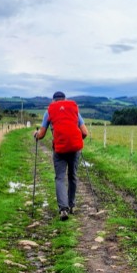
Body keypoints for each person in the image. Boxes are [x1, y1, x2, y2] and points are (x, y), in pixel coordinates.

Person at [34, 91, 89, 219]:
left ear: (53, 101)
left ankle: (63, 209)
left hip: (59, 149)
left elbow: (41, 135)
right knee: (72, 176)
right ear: (65, 99)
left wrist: (36, 135)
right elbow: (85, 132)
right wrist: (76, 140)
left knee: (60, 178)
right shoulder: (73, 110)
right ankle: (71, 205)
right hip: (75, 149)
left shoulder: (49, 111)